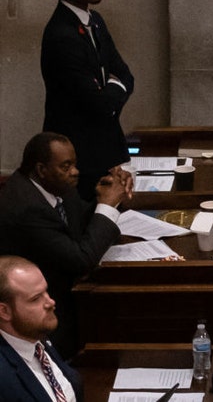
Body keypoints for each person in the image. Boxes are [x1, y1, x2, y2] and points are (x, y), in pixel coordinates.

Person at [0, 132, 130, 358]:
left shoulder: (56, 187)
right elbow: (81, 260)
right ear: (41, 170)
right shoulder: (25, 207)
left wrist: (106, 196)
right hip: (42, 306)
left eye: (75, 164)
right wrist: (108, 206)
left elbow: (78, 224)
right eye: (66, 166)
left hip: (65, 291)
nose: (75, 172)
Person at [38, 0, 134, 201]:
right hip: (77, 161)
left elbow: (126, 74)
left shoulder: (96, 21)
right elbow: (97, 104)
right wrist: (113, 93)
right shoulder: (61, 35)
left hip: (104, 151)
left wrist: (110, 92)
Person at [0, 255, 83, 402]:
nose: (50, 302)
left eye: (46, 291)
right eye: (35, 299)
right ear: (4, 311)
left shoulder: (34, 334)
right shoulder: (4, 378)